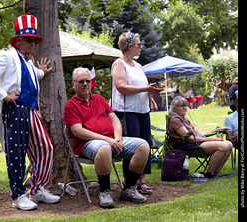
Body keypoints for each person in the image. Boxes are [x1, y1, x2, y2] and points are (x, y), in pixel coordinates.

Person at [0, 14, 59, 211]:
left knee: (46, 147)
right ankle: (18, 195)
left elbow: (32, 74)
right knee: (16, 153)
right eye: (30, 40)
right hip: (15, 109)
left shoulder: (26, 60)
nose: (34, 43)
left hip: (31, 110)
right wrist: (3, 95)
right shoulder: (8, 55)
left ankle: (36, 188)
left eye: (35, 40)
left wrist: (42, 71)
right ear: (19, 41)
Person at [64, 67, 150, 208]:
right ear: (73, 84)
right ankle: (105, 192)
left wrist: (117, 139)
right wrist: (107, 140)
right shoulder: (70, 105)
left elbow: (115, 120)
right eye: (81, 81)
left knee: (143, 145)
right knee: (104, 148)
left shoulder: (99, 99)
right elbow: (78, 131)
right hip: (88, 144)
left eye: (88, 81)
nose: (85, 84)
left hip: (112, 140)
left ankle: (129, 189)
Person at [111, 31, 163, 195]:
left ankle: (141, 181)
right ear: (129, 46)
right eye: (138, 44)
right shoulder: (119, 64)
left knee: (145, 145)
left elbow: (143, 86)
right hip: (127, 113)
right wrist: (146, 88)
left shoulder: (139, 66)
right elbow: (122, 87)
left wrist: (151, 93)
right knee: (132, 148)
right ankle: (129, 182)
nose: (141, 47)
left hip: (142, 111)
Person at [168, 96, 233, 178]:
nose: (185, 108)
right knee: (223, 146)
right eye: (181, 106)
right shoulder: (175, 120)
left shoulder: (185, 120)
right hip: (188, 146)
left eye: (185, 105)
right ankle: (209, 174)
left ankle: (216, 174)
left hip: (196, 142)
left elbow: (200, 134)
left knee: (229, 144)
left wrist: (217, 130)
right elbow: (190, 139)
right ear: (174, 109)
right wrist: (212, 139)